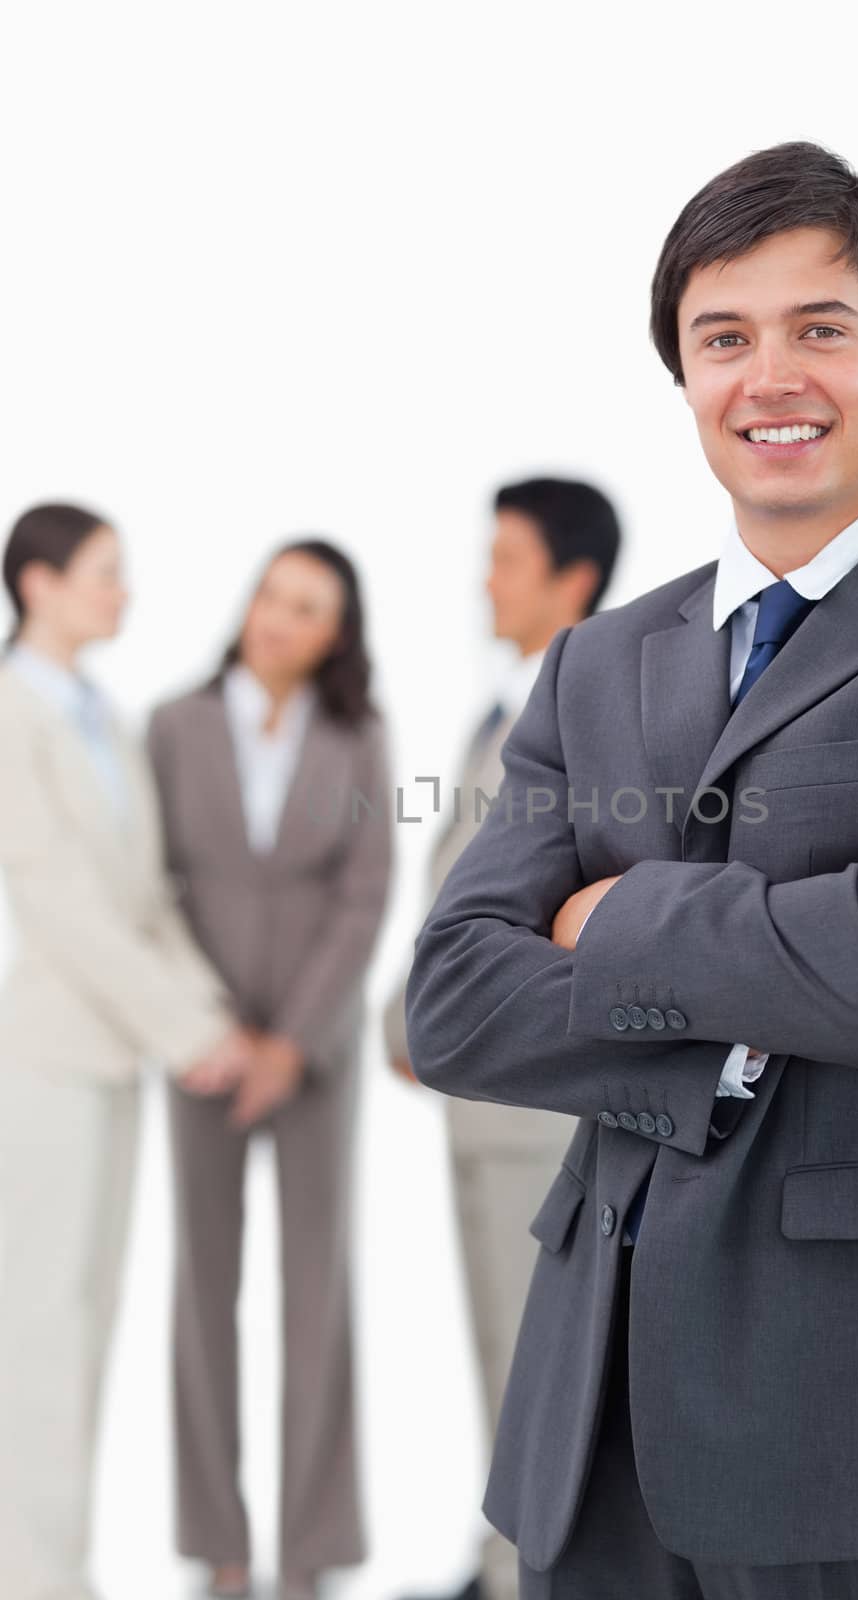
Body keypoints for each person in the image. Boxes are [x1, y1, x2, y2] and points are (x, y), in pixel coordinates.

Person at [404, 140, 858, 1600]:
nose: (768, 376)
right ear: (686, 376)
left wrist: (611, 913)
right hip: (594, 1432)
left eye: (817, 329)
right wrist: (730, 1033)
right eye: (723, 339)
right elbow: (449, 999)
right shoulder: (598, 659)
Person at [0, 502, 256, 1600]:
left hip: (116, 1057)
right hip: (50, 1053)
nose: (123, 591)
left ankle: (62, 1569)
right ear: (39, 583)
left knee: (89, 1319)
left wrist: (211, 1016)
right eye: (105, 572)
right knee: (41, 1329)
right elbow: (60, 902)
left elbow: (146, 899)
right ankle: (33, 1576)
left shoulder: (102, 716)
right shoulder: (12, 709)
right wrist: (191, 1029)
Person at [385, 477, 621, 1600]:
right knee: (498, 1347)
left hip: (532, 1108)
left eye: (506, 556)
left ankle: (524, 1568)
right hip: (481, 1099)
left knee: (539, 1367)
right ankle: (500, 1562)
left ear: (569, 578)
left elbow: (529, 911)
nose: (485, 576)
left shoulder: (589, 716)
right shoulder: (508, 708)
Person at [146, 538, 393, 1600]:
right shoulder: (174, 725)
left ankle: (311, 1552)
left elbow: (364, 891)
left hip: (315, 1050)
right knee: (203, 1290)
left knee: (316, 1287)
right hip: (201, 1047)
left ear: (336, 631)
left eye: (306, 607)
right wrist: (215, 1029)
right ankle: (220, 1548)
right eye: (270, 597)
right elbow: (150, 884)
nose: (279, 619)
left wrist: (291, 1040)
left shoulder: (358, 735)